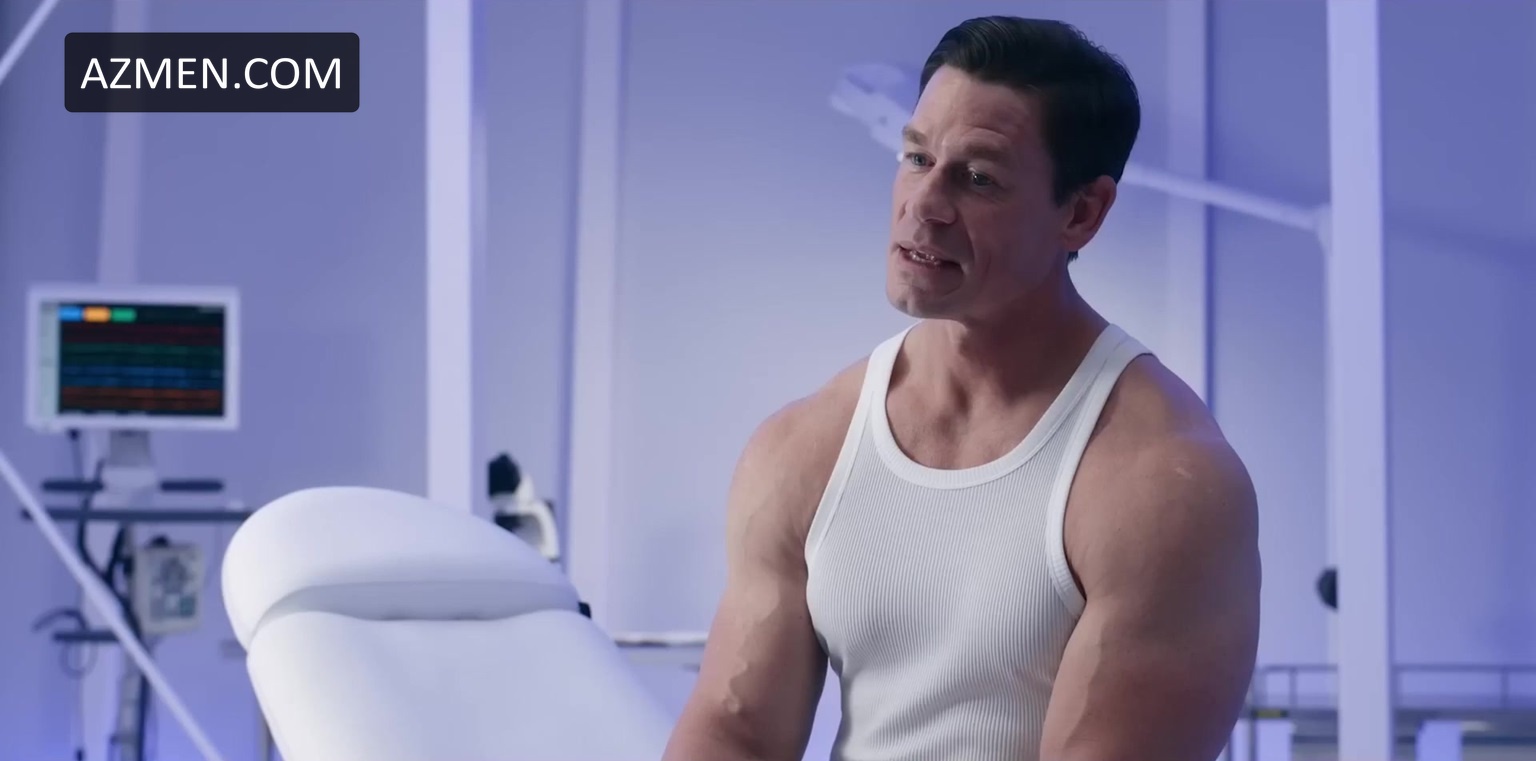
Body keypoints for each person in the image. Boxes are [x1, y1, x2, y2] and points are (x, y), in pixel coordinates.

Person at [662, 15, 1260, 761]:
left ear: (1081, 213)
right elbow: (736, 732)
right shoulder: (804, 447)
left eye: (978, 178)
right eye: (916, 157)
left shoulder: (1164, 483)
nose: (924, 204)